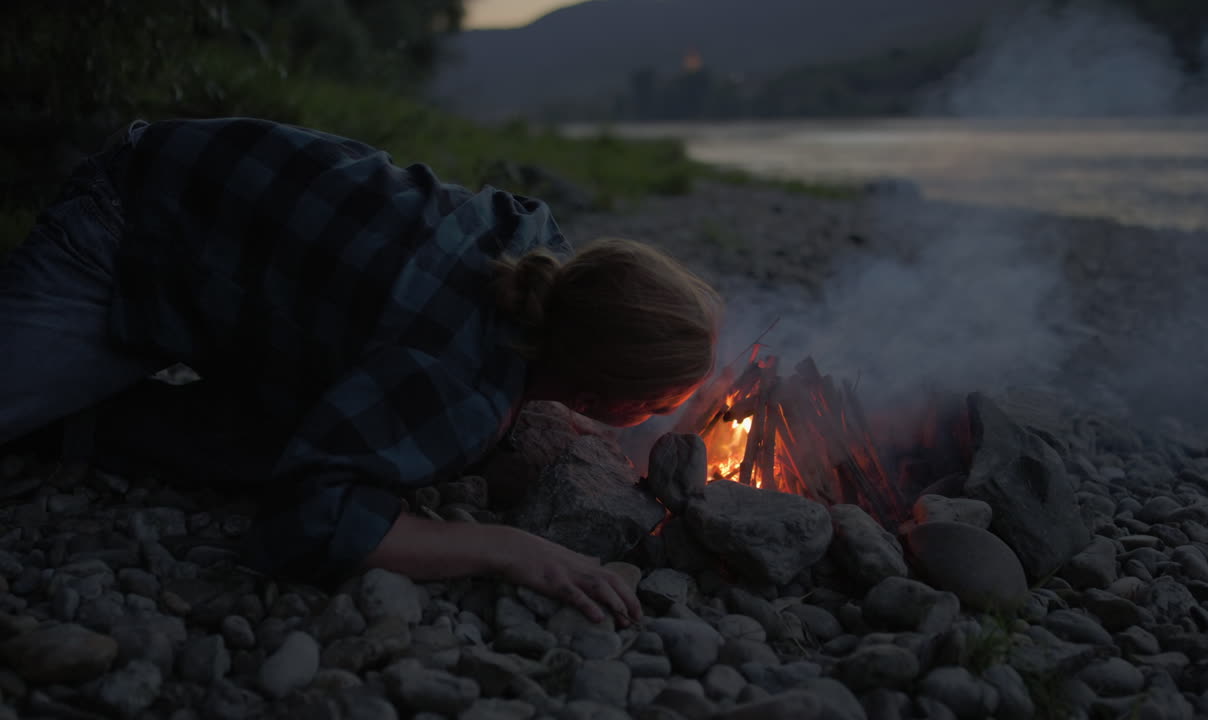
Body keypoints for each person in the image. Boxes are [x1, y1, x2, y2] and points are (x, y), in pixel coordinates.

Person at [0, 117, 722, 626]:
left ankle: (94, 423)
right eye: (661, 401)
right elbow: (306, 527)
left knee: (308, 439)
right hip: (128, 226)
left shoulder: (530, 240)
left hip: (194, 182)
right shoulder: (461, 393)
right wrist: (505, 547)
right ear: (594, 398)